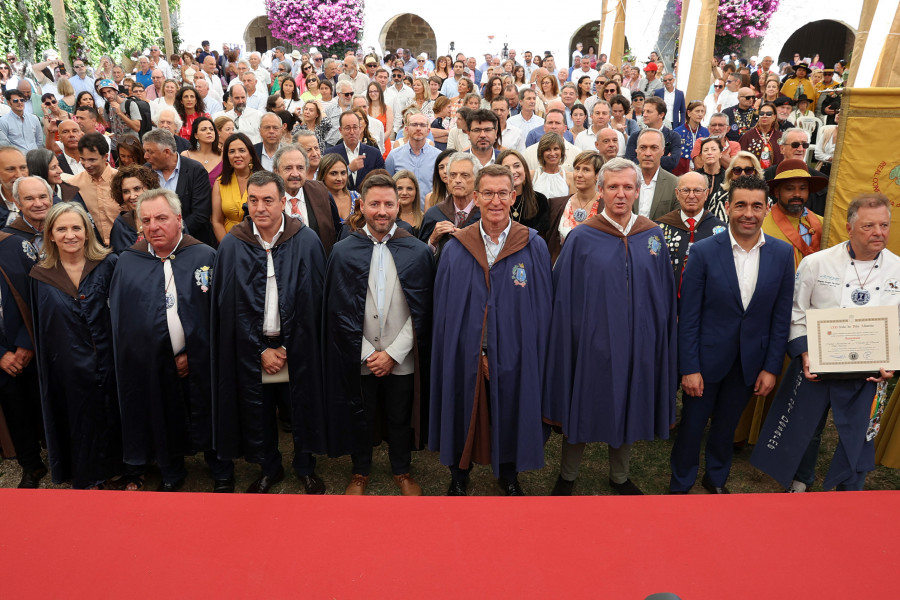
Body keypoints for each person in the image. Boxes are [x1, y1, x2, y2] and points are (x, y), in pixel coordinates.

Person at [545, 157, 677, 496]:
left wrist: (656, 336)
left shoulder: (652, 235)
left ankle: (619, 476)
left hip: (637, 343)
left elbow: (662, 294)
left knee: (626, 404)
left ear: (637, 192)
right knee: (583, 404)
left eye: (628, 187)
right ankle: (568, 475)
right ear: (600, 191)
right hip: (591, 343)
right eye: (613, 187)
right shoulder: (583, 237)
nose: (621, 194)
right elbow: (563, 297)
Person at [752, 193, 899, 492]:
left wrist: (893, 363)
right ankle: (799, 481)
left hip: (870, 371)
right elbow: (794, 310)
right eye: (869, 226)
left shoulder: (898, 269)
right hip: (817, 364)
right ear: (849, 228)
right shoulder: (817, 263)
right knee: (805, 428)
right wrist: (802, 351)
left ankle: (848, 489)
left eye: (884, 225)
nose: (878, 233)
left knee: (858, 435)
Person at [429, 164, 551, 495]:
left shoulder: (532, 245)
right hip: (465, 349)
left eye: (502, 193)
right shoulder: (457, 247)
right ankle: (459, 472)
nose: (495, 201)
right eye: (488, 193)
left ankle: (509, 473)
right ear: (476, 197)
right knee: (461, 406)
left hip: (517, 349)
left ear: (513, 197)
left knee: (512, 408)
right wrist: (474, 349)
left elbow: (542, 306)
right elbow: (446, 310)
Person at [669, 176, 794, 495]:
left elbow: (781, 317)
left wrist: (770, 367)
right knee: (692, 427)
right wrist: (689, 367)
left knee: (726, 427)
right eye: (740, 205)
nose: (748, 213)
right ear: (727, 208)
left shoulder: (782, 254)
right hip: (705, 360)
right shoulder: (704, 252)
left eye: (756, 205)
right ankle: (681, 482)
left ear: (767, 208)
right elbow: (690, 316)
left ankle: (716, 479)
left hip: (749, 361)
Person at [110, 188, 234, 492]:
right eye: (147, 220)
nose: (154, 226)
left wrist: (193, 352)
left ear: (179, 220)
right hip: (154, 362)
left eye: (162, 218)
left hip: (201, 359)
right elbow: (124, 321)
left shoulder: (205, 255)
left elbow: (221, 314)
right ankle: (171, 470)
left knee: (208, 410)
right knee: (162, 413)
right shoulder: (129, 262)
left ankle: (220, 468)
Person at [212, 170, 327, 494]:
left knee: (300, 407)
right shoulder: (234, 245)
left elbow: (314, 303)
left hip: (297, 345)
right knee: (257, 410)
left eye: (268, 200)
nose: (260, 207)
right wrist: (260, 349)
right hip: (253, 347)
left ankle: (305, 465)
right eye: (254, 200)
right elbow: (228, 307)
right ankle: (269, 467)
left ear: (282, 203)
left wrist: (288, 348)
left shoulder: (305, 241)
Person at [323, 173, 433, 495]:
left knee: (400, 414)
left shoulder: (418, 252)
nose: (381, 211)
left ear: (399, 206)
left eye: (388, 203)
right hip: (361, 355)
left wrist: (394, 353)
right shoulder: (343, 252)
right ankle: (360, 471)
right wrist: (368, 354)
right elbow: (338, 311)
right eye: (374, 204)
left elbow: (423, 310)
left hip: (401, 354)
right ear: (362, 205)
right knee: (363, 413)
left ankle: (401, 469)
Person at [30, 201, 121, 489]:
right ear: (51, 235)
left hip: (109, 361)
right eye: (62, 229)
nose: (70, 235)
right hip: (65, 367)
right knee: (76, 419)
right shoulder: (40, 277)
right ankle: (84, 475)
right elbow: (42, 327)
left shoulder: (109, 264)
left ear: (87, 231)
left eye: (76, 228)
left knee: (111, 413)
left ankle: (119, 470)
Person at [0, 185, 47, 488]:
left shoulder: (12, 245)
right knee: (13, 408)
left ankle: (59, 454)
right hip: (2, 354)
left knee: (42, 401)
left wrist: (24, 344)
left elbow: (35, 295)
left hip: (28, 342)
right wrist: (1, 354)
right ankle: (31, 465)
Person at [655, 170, 727, 295]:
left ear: (707, 193)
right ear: (677, 193)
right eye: (686, 190)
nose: (691, 195)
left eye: (697, 190)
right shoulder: (659, 229)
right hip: (669, 302)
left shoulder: (721, 231)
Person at [143, 128, 215, 246]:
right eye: (145, 151)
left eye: (150, 152)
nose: (145, 156)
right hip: (156, 242)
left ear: (167, 152)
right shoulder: (146, 171)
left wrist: (174, 233)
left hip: (191, 242)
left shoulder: (195, 171)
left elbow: (200, 214)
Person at [274, 144, 341, 255]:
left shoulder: (321, 192)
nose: (295, 174)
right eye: (288, 168)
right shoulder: (268, 198)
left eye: (300, 168)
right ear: (276, 171)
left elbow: (336, 232)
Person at [761, 158, 825, 268]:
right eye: (789, 189)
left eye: (803, 188)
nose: (797, 194)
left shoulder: (823, 224)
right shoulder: (761, 226)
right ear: (777, 192)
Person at [419, 153, 481, 253]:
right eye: (453, 175)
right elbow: (420, 258)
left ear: (477, 179)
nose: (457, 180)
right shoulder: (433, 215)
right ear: (447, 179)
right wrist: (432, 241)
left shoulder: (486, 214)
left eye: (465, 175)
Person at [67, 133, 118, 245]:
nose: (87, 165)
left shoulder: (121, 180)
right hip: (92, 249)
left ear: (105, 157)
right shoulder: (73, 184)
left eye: (92, 160)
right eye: (83, 159)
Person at [211, 132, 263, 241]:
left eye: (242, 150)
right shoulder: (220, 183)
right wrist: (227, 247)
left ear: (251, 154)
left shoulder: (264, 180)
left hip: (259, 240)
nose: (237, 155)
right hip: (229, 240)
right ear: (227, 156)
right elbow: (216, 221)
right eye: (232, 151)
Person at [324, 112, 385, 192]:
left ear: (360, 129)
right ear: (340, 130)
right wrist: (349, 170)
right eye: (347, 128)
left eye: (355, 127)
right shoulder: (330, 154)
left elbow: (382, 181)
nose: (352, 132)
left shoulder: (374, 153)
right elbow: (325, 181)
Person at [498, 149, 551, 235]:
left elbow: (542, 238)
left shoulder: (539, 200)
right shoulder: (495, 202)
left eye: (517, 166)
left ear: (525, 169)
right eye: (506, 168)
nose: (513, 171)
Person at [108, 164, 159, 253]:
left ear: (150, 187)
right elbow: (117, 260)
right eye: (126, 191)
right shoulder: (121, 223)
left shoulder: (167, 216)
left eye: (137, 189)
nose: (132, 196)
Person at [624, 97, 682, 173]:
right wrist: (662, 158)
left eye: (649, 112)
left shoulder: (674, 136)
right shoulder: (635, 136)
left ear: (661, 115)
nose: (644, 115)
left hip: (663, 180)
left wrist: (642, 158)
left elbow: (673, 162)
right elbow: (630, 161)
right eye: (644, 111)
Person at [632, 129, 678, 220]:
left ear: (663, 151)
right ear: (636, 151)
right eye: (643, 148)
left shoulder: (674, 184)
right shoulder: (624, 179)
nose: (648, 153)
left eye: (654, 148)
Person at [182, 115, 223, 189]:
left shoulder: (223, 155)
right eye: (203, 129)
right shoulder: (186, 155)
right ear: (196, 135)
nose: (209, 132)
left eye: (211, 129)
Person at [739, 101, 781, 169]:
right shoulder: (748, 136)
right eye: (761, 113)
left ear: (774, 117)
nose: (764, 116)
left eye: (768, 114)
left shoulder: (780, 137)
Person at [673, 102, 708, 175]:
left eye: (702, 111)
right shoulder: (677, 132)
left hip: (701, 170)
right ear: (689, 113)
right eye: (697, 111)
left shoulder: (706, 132)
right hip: (681, 170)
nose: (700, 114)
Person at [393, 170, 424, 235]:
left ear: (416, 191)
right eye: (399, 188)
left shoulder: (424, 219)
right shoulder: (386, 219)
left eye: (409, 188)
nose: (404, 193)